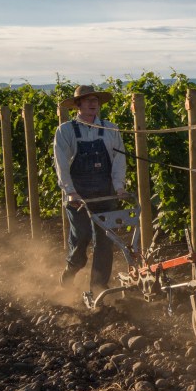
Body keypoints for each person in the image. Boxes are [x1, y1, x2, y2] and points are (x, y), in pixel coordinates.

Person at [53, 85, 127, 297]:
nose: (93, 104)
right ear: (78, 105)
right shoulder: (65, 131)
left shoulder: (110, 129)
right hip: (78, 195)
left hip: (105, 193)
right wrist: (70, 191)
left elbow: (119, 160)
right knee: (82, 237)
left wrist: (119, 186)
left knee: (105, 240)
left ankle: (98, 287)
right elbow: (61, 164)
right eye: (88, 100)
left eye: (96, 100)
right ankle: (71, 269)